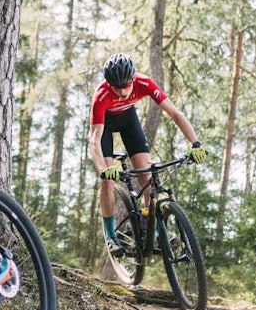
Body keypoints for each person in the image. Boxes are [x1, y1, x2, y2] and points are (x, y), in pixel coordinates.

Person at [88, 52, 207, 254]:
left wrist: (195, 143)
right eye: (116, 87)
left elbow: (176, 114)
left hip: (128, 121)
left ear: (132, 78)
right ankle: (110, 236)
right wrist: (102, 169)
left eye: (126, 85)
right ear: (109, 85)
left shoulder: (144, 83)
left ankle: (150, 226)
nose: (122, 92)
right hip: (105, 127)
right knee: (107, 182)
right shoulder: (102, 95)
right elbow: (94, 140)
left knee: (145, 174)